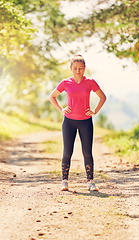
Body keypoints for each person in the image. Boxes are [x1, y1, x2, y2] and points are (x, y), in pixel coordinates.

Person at [49, 54, 106, 191]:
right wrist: (62, 109)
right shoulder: (66, 83)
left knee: (87, 152)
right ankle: (64, 182)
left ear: (85, 68)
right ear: (71, 68)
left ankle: (91, 182)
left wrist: (95, 111)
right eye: (75, 68)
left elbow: (102, 97)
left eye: (81, 68)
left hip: (86, 122)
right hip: (69, 122)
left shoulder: (90, 82)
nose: (78, 71)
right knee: (67, 152)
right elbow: (52, 97)